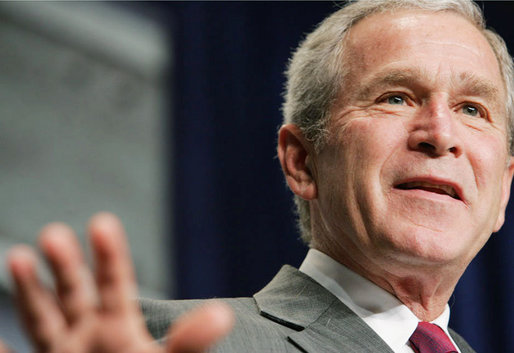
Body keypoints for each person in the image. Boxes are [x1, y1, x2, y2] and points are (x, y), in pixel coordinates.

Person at [3, 0, 514, 352]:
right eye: (395, 97)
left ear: (503, 190)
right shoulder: (179, 341)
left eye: (473, 109)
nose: (440, 133)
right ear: (301, 162)